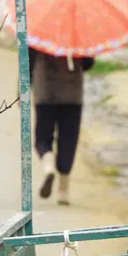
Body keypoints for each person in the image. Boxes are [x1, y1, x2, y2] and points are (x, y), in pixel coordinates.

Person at [30, 47, 94, 205]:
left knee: (42, 138)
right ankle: (63, 192)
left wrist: (21, 90)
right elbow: (87, 64)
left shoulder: (38, 33)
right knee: (68, 140)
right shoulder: (79, 34)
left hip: (45, 93)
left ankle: (48, 167)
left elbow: (28, 62)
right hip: (72, 95)